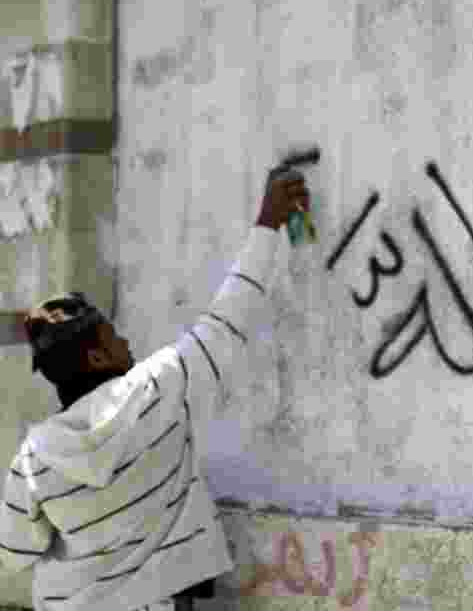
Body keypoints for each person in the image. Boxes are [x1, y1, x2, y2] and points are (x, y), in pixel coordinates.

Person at [0, 163, 310, 611]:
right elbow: (228, 318)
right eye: (113, 335)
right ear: (97, 357)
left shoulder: (35, 457)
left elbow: (13, 553)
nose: (125, 340)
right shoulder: (157, 389)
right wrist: (266, 223)